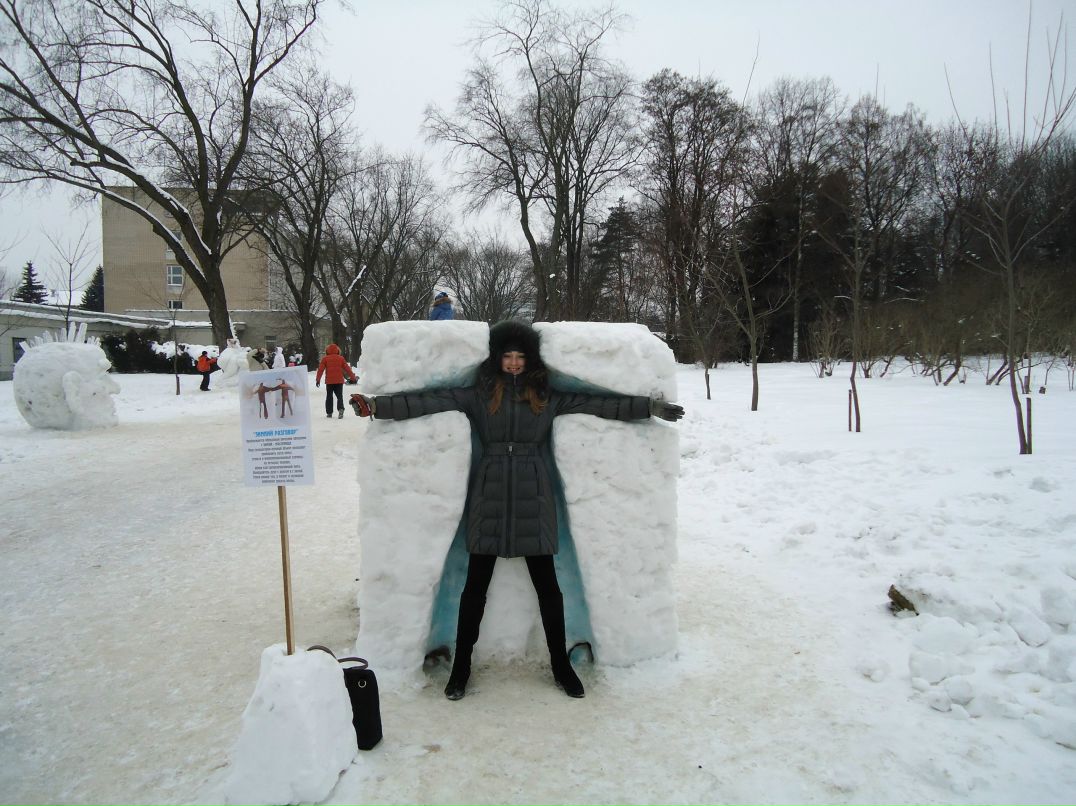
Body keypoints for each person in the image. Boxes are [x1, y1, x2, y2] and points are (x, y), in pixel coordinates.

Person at [349, 321, 684, 701]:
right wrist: (376, 406)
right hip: (489, 493)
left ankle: (561, 665)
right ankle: (461, 667)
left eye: (519, 356)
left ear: (529, 360)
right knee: (475, 588)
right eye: (507, 356)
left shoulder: (545, 395)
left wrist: (649, 407)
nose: (512, 362)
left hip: (533, 493)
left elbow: (599, 404)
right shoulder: (480, 395)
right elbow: (430, 400)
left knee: (548, 588)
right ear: (497, 358)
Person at [315, 343, 358, 419]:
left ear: (327, 351)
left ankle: (329, 413)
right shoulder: (341, 358)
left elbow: (320, 370)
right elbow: (347, 369)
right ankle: (341, 409)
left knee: (329, 397)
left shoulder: (325, 359)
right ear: (337, 350)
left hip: (329, 381)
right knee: (339, 396)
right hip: (339, 381)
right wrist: (353, 378)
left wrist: (318, 380)